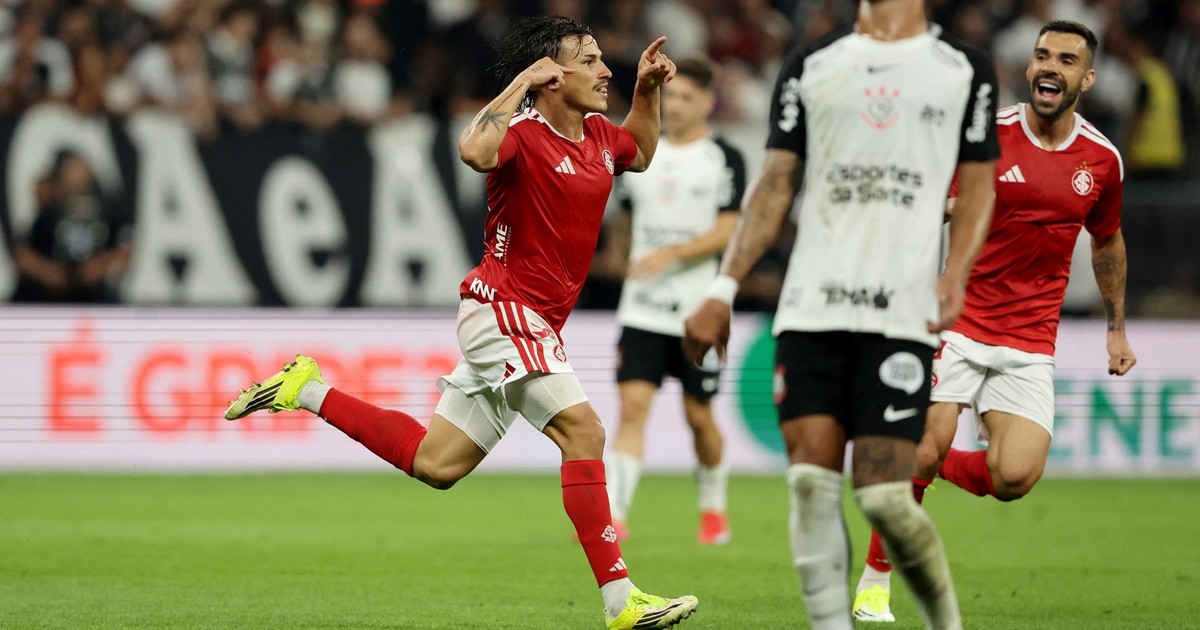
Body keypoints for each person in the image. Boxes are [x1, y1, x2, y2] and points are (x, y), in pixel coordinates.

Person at [224, 16, 698, 630]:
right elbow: (473, 150)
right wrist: (521, 83)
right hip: (504, 309)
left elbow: (644, 151)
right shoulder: (522, 133)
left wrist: (648, 89)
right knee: (584, 433)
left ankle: (306, 389)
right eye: (588, 60)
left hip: (532, 322)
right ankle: (621, 600)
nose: (605, 69)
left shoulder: (601, 138)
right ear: (552, 76)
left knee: (437, 464)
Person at [683, 0, 1000, 627]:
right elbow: (776, 182)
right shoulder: (813, 63)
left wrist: (956, 274)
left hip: (900, 312)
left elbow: (978, 186)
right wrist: (723, 287)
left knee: (885, 498)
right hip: (812, 305)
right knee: (809, 486)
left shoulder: (964, 69)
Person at [851, 20, 1136, 623]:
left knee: (1013, 477)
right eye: (1041, 56)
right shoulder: (985, 136)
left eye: (1065, 60)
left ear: (1087, 79)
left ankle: (923, 461)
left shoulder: (1101, 160)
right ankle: (876, 581)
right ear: (1029, 67)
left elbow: (1107, 241)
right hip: (957, 320)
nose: (1049, 67)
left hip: (1030, 338)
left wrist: (1116, 327)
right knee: (923, 447)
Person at [605, 55, 745, 547]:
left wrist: (670, 254)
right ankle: (615, 516)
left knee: (698, 416)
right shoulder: (641, 152)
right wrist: (624, 257)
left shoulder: (724, 158)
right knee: (631, 409)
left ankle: (713, 509)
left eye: (687, 96)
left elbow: (728, 230)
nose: (678, 105)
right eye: (671, 96)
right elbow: (624, 218)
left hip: (697, 310)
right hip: (642, 307)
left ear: (708, 102)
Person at [12, 151, 133, 303]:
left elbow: (125, 251)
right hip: (47, 299)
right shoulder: (47, 210)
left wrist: (98, 268)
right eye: (70, 170)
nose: (75, 175)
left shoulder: (107, 210)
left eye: (79, 169)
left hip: (94, 299)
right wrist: (49, 273)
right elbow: (23, 254)